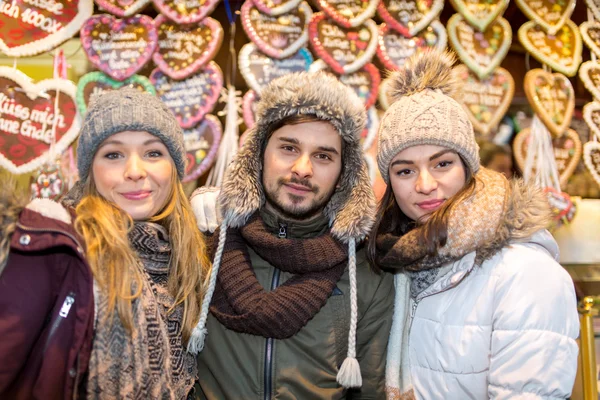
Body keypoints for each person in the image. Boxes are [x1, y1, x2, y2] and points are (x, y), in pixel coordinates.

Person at [368, 50, 579, 399]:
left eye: (442, 164)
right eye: (404, 170)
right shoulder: (395, 260)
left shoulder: (523, 271)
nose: (424, 185)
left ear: (468, 166)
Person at [188, 71, 394, 399]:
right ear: (259, 153)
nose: (302, 168)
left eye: (323, 156)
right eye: (288, 147)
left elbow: (370, 390)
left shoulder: (367, 273)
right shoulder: (202, 243)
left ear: (344, 174)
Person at [0, 89, 211, 399]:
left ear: (174, 167)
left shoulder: (191, 257)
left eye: (153, 153)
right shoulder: (59, 251)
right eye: (113, 154)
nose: (135, 172)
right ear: (91, 170)